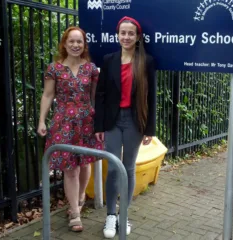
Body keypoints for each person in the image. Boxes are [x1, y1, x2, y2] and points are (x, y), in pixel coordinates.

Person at [94, 16, 157, 238]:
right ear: (117, 35)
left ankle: (124, 214)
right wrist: (98, 125)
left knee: (128, 167)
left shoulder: (146, 61)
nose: (127, 37)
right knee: (112, 167)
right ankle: (111, 215)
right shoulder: (109, 59)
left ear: (138, 36)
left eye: (131, 33)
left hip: (134, 120)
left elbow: (152, 97)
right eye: (123, 32)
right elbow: (100, 95)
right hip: (111, 121)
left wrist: (150, 128)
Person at [37, 26, 102, 232]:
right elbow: (47, 95)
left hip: (86, 122)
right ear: (64, 44)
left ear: (84, 45)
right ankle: (75, 212)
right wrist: (41, 120)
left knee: (85, 163)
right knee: (70, 167)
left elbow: (95, 98)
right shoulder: (54, 68)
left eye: (79, 41)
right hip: (63, 122)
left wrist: (100, 122)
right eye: (71, 41)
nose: (75, 45)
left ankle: (81, 196)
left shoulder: (91, 69)